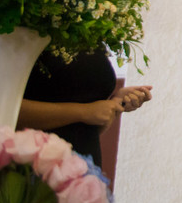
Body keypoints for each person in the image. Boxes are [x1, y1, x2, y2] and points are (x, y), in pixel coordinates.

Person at [17, 51, 152, 170]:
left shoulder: (91, 35)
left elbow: (87, 129)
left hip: (83, 169)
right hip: (34, 169)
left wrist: (114, 105)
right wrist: (84, 112)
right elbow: (9, 110)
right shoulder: (28, 30)